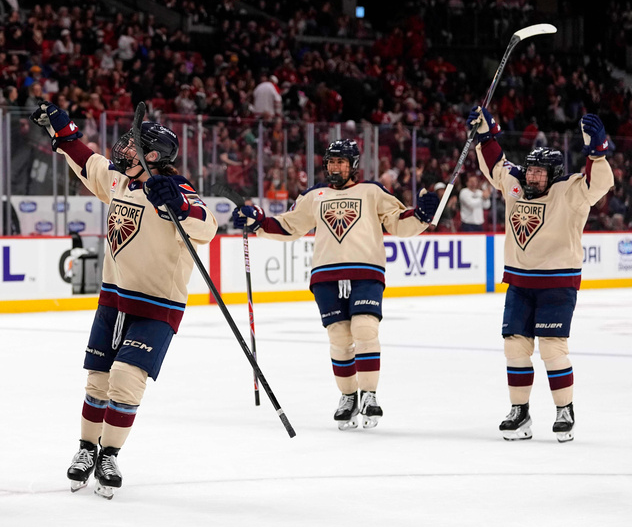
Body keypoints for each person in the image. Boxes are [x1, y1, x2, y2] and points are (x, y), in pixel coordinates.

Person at [31, 100, 217, 499]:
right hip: (114, 301)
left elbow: (207, 225)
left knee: (127, 381)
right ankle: (85, 450)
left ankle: (109, 454)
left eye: (134, 145)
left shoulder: (175, 191)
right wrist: (63, 133)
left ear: (153, 156)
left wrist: (178, 205)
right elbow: (88, 162)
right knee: (98, 380)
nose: (124, 148)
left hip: (157, 306)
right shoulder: (119, 182)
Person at [234, 140, 439, 430]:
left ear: (354, 164)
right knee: (340, 339)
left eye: (341, 162)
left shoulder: (372, 192)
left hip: (366, 270)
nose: (335, 167)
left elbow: (397, 222)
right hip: (326, 275)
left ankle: (369, 395)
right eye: (331, 162)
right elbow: (289, 225)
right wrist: (258, 222)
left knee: (365, 328)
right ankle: (348, 397)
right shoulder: (314, 195)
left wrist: (420, 216)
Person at [469, 107, 613, 442]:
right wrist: (486, 134)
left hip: (557, 284)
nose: (532, 177)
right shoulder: (517, 185)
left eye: (539, 173)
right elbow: (495, 166)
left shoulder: (570, 192)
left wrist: (597, 152)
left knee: (551, 348)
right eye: (530, 170)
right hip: (520, 283)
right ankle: (520, 413)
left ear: (554, 173)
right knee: (515, 347)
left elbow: (598, 184)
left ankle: (565, 410)